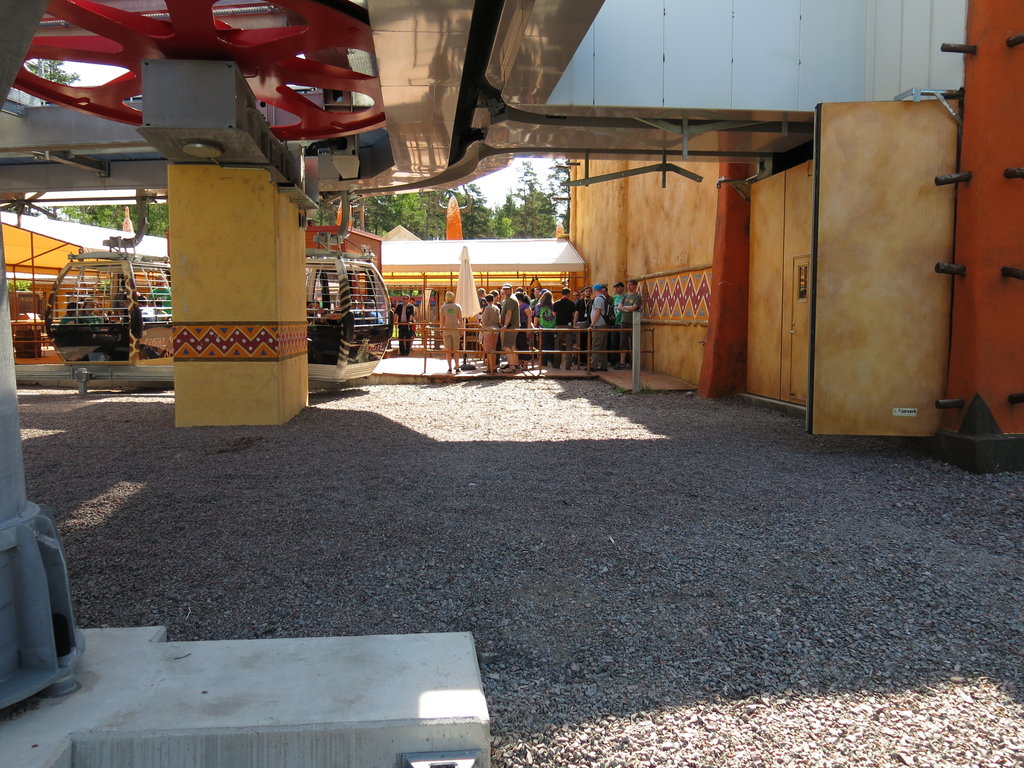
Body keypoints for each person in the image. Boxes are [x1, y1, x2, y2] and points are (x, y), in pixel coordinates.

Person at [618, 278, 643, 368]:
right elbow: (619, 307)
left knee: (633, 342)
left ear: (635, 286)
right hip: (624, 321)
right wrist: (627, 309)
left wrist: (624, 308)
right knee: (623, 342)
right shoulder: (625, 296)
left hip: (633, 322)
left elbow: (634, 307)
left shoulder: (637, 297)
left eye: (630, 285)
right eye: (628, 285)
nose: (628, 286)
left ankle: (633, 362)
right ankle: (622, 362)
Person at [438, 291, 463, 374]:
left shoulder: (443, 307)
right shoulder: (458, 306)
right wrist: (462, 329)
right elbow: (460, 319)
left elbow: (441, 320)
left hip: (446, 329)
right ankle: (457, 366)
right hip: (455, 329)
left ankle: (449, 367)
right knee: (456, 350)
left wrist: (441, 330)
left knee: (448, 350)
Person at [552, 287, 576, 369]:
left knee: (558, 345)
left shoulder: (556, 304)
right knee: (569, 346)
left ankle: (556, 364)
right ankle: (568, 365)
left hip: (558, 326)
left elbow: (554, 314)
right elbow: (573, 314)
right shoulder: (572, 304)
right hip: (569, 326)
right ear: (568, 294)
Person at [590, 283, 612, 371]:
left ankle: (593, 365)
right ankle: (603, 365)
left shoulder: (598, 299)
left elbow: (597, 312)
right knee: (602, 346)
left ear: (595, 290)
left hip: (599, 325)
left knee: (596, 345)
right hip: (603, 325)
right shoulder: (603, 298)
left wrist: (592, 324)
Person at [499, 283, 520, 371]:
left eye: (507, 289)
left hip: (511, 326)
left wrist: (505, 325)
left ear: (511, 289)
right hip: (511, 326)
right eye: (504, 289)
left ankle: (512, 366)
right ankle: (514, 364)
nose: (505, 291)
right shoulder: (509, 298)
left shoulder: (511, 299)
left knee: (507, 346)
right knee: (511, 346)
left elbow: (509, 313)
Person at [479, 293, 501, 374]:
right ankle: (491, 367)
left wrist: (482, 327)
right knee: (493, 349)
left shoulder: (487, 308)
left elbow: (484, 320)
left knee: (488, 350)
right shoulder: (497, 308)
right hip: (496, 329)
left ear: (486, 300)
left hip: (488, 330)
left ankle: (491, 368)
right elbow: (499, 319)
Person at [534, 290, 557, 368]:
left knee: (543, 345)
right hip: (552, 328)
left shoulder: (539, 306)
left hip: (542, 328)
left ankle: (544, 362)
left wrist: (535, 326)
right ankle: (552, 361)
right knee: (552, 345)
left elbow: (536, 316)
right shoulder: (554, 305)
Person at [573, 285, 592, 368]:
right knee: (580, 342)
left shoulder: (592, 301)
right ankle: (579, 359)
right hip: (580, 323)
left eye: (589, 291)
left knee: (588, 342)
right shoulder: (579, 302)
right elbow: (576, 313)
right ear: (584, 292)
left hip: (589, 324)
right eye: (586, 291)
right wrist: (574, 323)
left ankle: (586, 360)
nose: (588, 292)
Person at [609, 282, 626, 368]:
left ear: (622, 288)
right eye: (616, 287)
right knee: (613, 342)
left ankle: (623, 361)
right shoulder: (615, 297)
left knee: (622, 342)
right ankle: (613, 361)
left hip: (622, 322)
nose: (616, 289)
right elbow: (612, 308)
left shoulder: (625, 297)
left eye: (618, 287)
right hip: (615, 322)